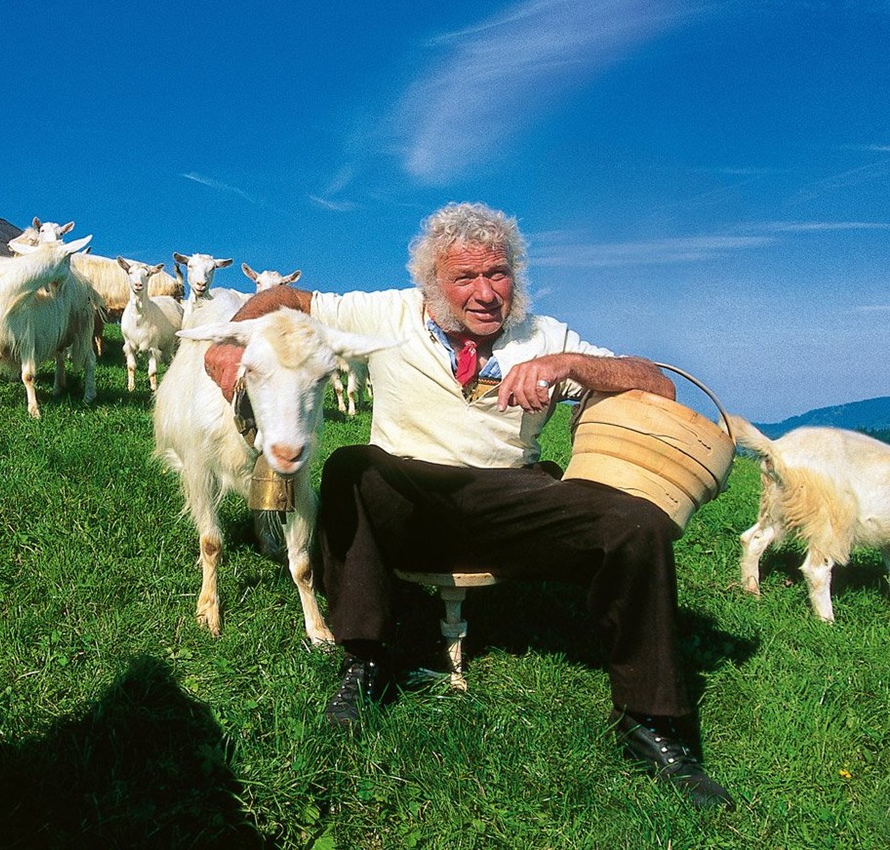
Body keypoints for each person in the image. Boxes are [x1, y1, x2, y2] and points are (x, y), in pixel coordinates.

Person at [204, 202, 734, 810]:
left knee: (636, 523)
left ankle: (649, 722)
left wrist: (569, 365)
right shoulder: (388, 313)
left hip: (514, 499)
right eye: (465, 278)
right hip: (410, 493)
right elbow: (291, 302)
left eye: (498, 274)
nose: (485, 293)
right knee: (353, 468)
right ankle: (367, 663)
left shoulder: (544, 335)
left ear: (515, 276)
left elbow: (657, 383)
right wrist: (226, 340)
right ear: (433, 283)